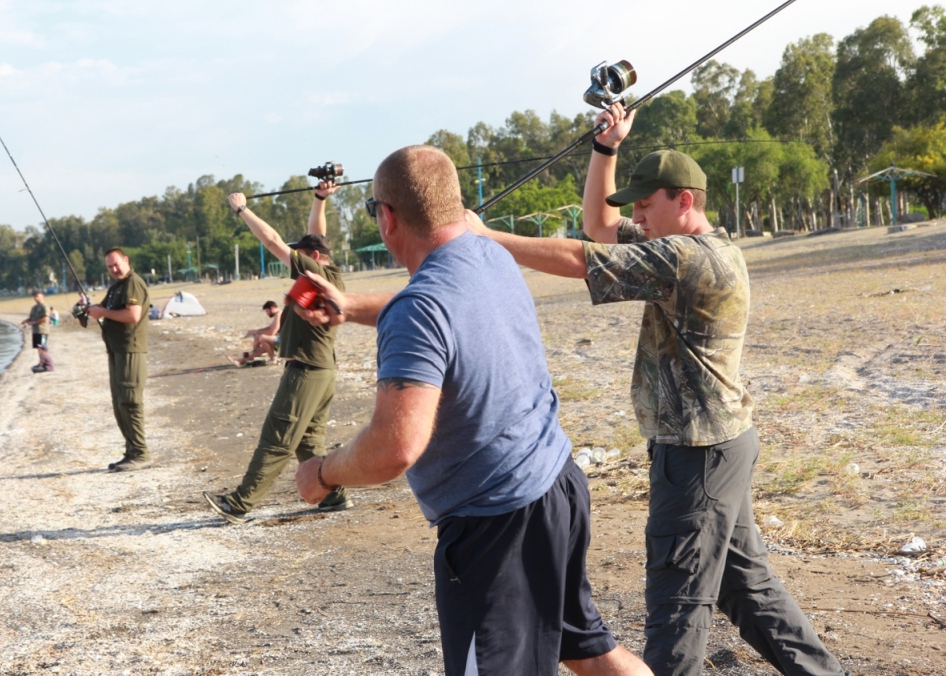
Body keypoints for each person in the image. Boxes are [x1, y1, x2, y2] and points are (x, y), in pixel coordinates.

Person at [470, 104, 846, 676]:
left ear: (684, 201)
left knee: (675, 616)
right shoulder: (684, 249)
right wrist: (606, 149)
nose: (638, 215)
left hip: (696, 456)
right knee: (748, 593)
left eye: (647, 205)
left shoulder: (688, 259)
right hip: (719, 446)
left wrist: (487, 237)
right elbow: (598, 227)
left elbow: (583, 257)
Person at [291, 145, 652, 676]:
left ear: (387, 218)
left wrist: (322, 472)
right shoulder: (490, 257)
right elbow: (441, 304)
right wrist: (350, 306)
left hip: (495, 527)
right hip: (557, 487)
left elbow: (395, 447)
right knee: (590, 651)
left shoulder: (420, 309)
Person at [203, 179, 351, 522]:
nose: (295, 258)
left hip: (307, 371)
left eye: (301, 253)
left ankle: (240, 503)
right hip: (321, 370)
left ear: (313, 258)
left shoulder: (316, 271)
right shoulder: (328, 272)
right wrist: (319, 200)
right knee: (309, 444)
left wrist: (243, 209)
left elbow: (271, 240)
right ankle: (334, 497)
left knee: (278, 437)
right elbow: (317, 236)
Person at [86, 248, 151, 472]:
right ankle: (131, 452)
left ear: (126, 260)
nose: (114, 270)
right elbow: (104, 309)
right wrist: (91, 308)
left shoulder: (133, 283)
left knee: (130, 401)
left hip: (130, 351)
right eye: (109, 267)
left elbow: (132, 315)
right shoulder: (117, 287)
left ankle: (140, 454)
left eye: (116, 264)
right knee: (119, 403)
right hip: (116, 351)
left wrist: (102, 314)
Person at [227, 300, 281, 367]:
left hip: (284, 340)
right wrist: (256, 332)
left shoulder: (279, 314)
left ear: (272, 308)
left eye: (267, 311)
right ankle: (241, 361)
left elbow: (273, 331)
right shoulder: (278, 314)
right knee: (260, 342)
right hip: (279, 338)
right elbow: (269, 328)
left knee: (262, 338)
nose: (267, 314)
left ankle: (272, 359)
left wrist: (255, 332)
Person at [20, 291, 49, 364]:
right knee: (38, 348)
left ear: (42, 297)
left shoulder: (44, 306)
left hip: (42, 330)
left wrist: (34, 323)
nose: (35, 298)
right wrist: (25, 321)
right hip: (35, 331)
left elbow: (45, 318)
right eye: (34, 296)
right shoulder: (34, 307)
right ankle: (41, 362)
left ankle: (45, 363)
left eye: (37, 296)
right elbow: (31, 318)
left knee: (42, 348)